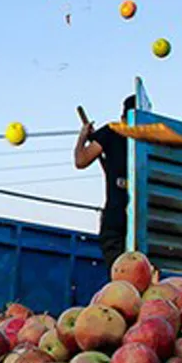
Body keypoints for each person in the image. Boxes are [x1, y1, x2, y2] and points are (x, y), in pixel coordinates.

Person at [75, 95, 135, 267]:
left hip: (115, 221)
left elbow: (81, 160)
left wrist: (82, 137)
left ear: (123, 117)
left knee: (122, 282)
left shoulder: (112, 131)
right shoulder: (150, 139)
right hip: (145, 223)